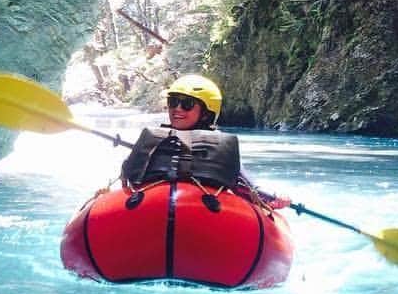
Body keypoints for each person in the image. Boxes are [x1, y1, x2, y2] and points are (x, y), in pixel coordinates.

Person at [120, 74, 291, 210]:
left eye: (187, 104)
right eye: (173, 102)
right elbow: (128, 178)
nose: (177, 108)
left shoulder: (221, 147)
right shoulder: (153, 139)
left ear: (206, 113)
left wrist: (273, 198)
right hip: (151, 207)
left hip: (206, 211)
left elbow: (247, 185)